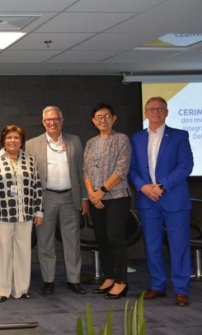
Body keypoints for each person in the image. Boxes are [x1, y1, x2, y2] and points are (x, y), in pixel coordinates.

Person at [128, 96, 193, 307]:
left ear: (166, 112)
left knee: (179, 245)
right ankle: (158, 285)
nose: (156, 112)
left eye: (160, 109)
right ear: (146, 113)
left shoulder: (179, 136)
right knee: (152, 245)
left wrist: (162, 186)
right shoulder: (136, 138)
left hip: (174, 199)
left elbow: (185, 166)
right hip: (148, 200)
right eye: (152, 109)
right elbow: (131, 170)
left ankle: (181, 289)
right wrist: (143, 187)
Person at [25, 106, 88, 295]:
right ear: (43, 122)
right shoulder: (31, 144)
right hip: (46, 198)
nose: (52, 122)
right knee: (45, 241)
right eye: (48, 120)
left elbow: (81, 170)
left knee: (72, 240)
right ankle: (48, 280)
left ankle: (74, 279)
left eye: (56, 119)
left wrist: (84, 196)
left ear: (62, 120)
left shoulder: (74, 141)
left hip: (70, 196)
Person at [0, 125, 43, 302]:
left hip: (25, 214)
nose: (12, 141)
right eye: (9, 137)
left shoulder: (30, 159)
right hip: (2, 214)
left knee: (24, 252)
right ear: (3, 139)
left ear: (21, 141)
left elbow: (36, 186)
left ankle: (21, 289)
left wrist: (38, 210)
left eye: (16, 138)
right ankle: (1, 290)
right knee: (2, 253)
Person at [83, 103, 132, 299]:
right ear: (93, 121)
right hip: (96, 198)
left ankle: (121, 281)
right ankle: (109, 277)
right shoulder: (91, 142)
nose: (102, 120)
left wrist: (101, 191)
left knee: (115, 238)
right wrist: (91, 194)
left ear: (114, 118)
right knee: (102, 239)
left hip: (116, 197)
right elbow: (85, 171)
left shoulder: (121, 140)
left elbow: (121, 169)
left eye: (106, 116)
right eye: (98, 117)